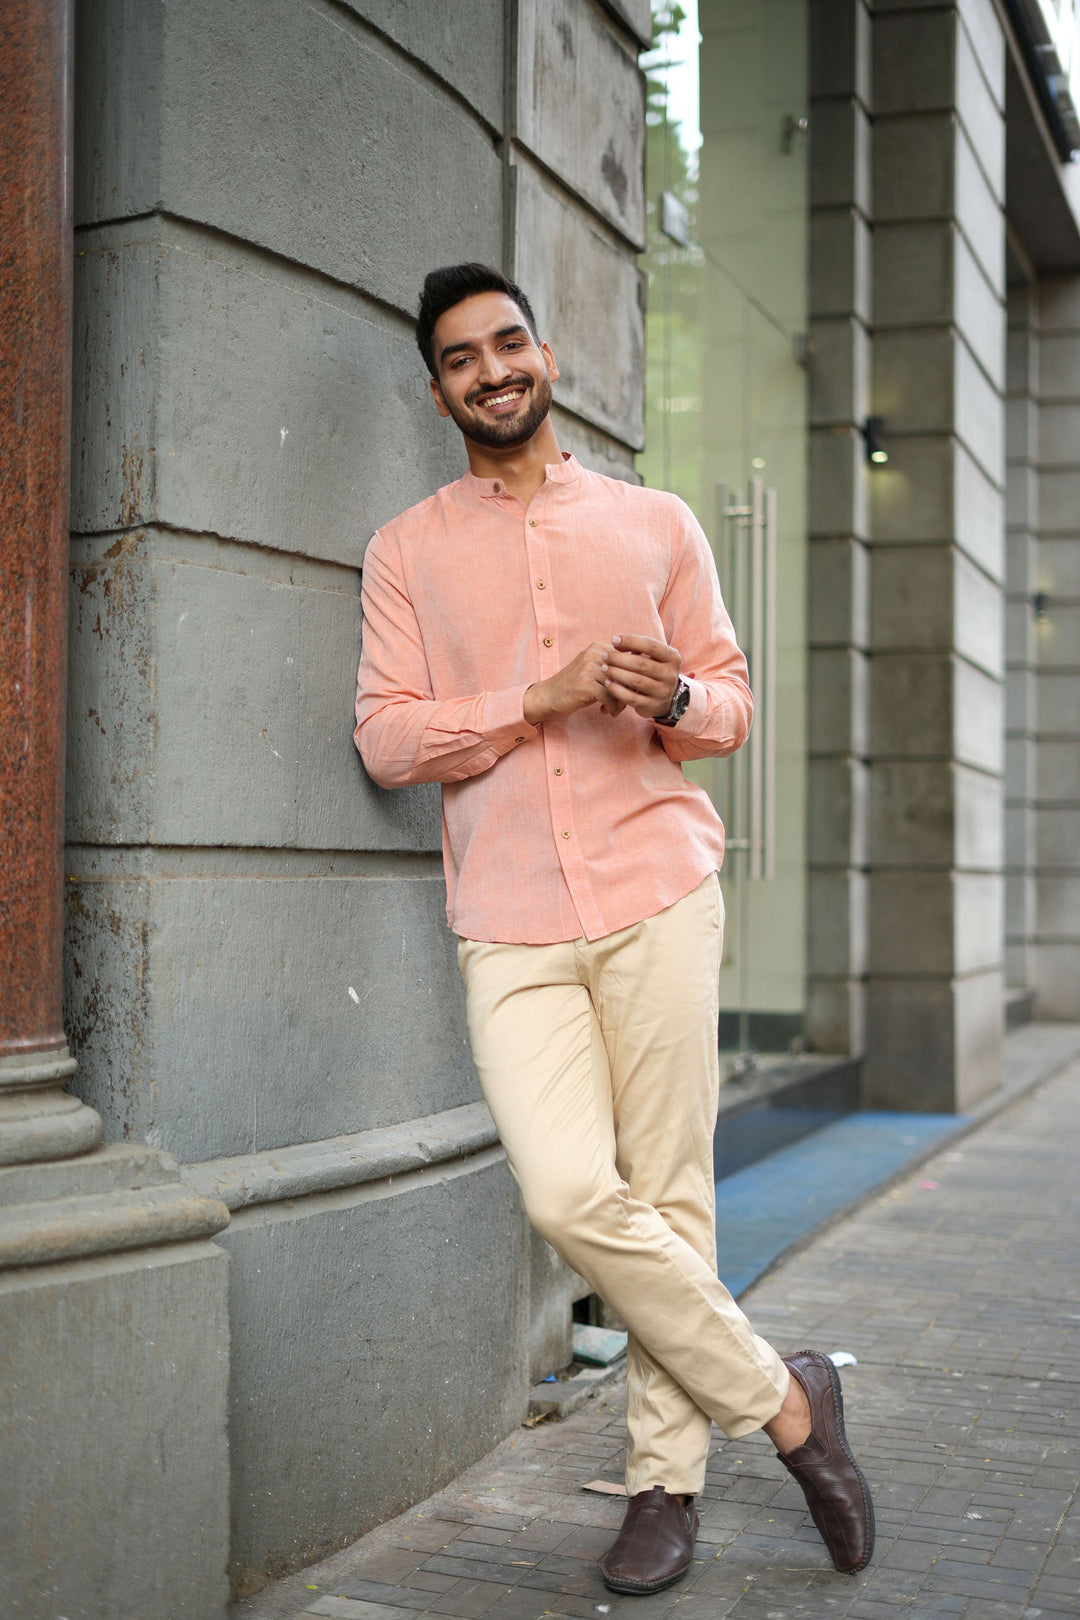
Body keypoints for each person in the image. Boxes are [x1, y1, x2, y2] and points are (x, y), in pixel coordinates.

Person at [353, 262, 874, 1588]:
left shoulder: (656, 524)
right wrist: (540, 695)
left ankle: (664, 1486)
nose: (492, 370)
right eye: (463, 358)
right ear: (438, 391)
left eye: (508, 342)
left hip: (656, 889)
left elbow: (735, 706)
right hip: (512, 920)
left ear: (547, 358)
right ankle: (792, 1400)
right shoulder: (408, 551)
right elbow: (387, 738)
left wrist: (672, 694)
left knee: (668, 1194)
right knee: (569, 1193)